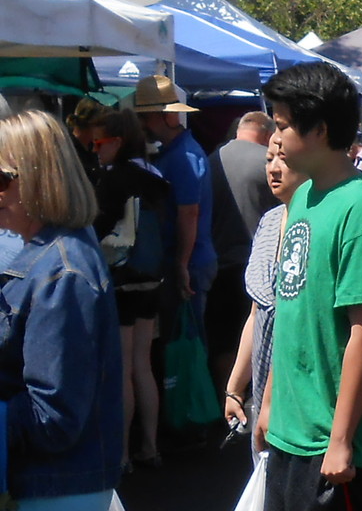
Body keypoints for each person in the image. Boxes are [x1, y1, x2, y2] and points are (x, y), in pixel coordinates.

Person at [256, 62, 362, 511]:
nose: (275, 138)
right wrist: (268, 403)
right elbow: (292, 309)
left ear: (318, 130)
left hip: (337, 447)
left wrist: (340, 440)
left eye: (282, 125)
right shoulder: (302, 197)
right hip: (291, 429)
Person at [0, 110, 122, 508]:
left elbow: (54, 415)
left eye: (1, 180)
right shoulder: (50, 257)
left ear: (38, 179)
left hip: (57, 489)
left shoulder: (62, 271)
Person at [92, 108, 170, 473]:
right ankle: (150, 446)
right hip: (152, 278)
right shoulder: (156, 175)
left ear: (116, 141)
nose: (95, 149)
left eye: (100, 142)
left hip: (121, 280)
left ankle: (122, 454)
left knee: (122, 367)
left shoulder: (112, 181)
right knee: (143, 363)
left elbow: (97, 230)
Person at [224, 138, 308, 463]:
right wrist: (235, 387)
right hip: (262, 386)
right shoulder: (269, 222)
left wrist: (272, 401)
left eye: (283, 159)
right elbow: (257, 311)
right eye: (269, 158)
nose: (273, 168)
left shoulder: (315, 225)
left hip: (299, 385)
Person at [134, 75, 217, 333]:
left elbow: (189, 213)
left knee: (186, 345)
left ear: (167, 116)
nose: (142, 124)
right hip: (184, 260)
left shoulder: (183, 157)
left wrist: (182, 264)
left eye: (146, 117)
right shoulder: (175, 153)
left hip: (188, 263)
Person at [207, 110, 278, 391]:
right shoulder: (268, 163)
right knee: (260, 335)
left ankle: (229, 397)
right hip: (259, 264)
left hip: (219, 262)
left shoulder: (212, 160)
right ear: (265, 133)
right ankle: (256, 396)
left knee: (224, 341)